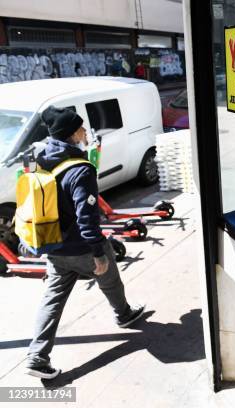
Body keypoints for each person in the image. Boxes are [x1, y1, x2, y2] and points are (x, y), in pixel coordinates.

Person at [25, 106, 144, 380]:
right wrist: (98, 253)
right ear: (71, 133)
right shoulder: (80, 169)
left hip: (51, 243)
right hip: (80, 246)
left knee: (53, 300)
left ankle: (37, 356)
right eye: (80, 128)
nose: (84, 132)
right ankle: (124, 314)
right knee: (109, 277)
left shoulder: (39, 158)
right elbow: (86, 217)